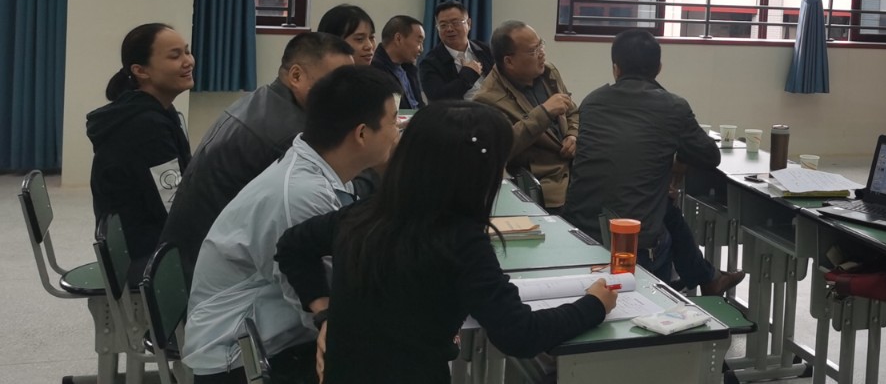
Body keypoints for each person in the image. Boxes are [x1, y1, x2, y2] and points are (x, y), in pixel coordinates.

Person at [276, 101, 616, 384]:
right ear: (477, 174)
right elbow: (520, 334)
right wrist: (594, 304)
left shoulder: (365, 213)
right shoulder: (460, 242)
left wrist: (326, 314)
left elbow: (292, 246)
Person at [182, 66, 401, 384]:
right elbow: (331, 296)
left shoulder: (318, 164)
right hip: (243, 360)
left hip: (272, 334)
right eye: (393, 121)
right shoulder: (301, 194)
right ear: (362, 134)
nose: (398, 131)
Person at [563, 29, 745, 296]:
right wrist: (676, 158)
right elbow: (710, 156)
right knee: (663, 211)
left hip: (578, 229)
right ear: (659, 68)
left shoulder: (592, 102)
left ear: (615, 68)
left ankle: (707, 277)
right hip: (631, 244)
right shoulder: (673, 107)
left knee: (663, 207)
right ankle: (698, 281)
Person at [160, 32, 355, 278]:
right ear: (296, 76)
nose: (349, 93)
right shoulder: (289, 137)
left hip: (187, 258)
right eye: (338, 83)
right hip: (214, 276)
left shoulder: (264, 99)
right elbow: (326, 212)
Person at [87, 23, 195, 272]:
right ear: (140, 70)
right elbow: (174, 209)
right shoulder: (146, 127)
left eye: (187, 51)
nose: (188, 61)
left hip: (149, 242)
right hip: (146, 256)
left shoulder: (157, 111)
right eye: (175, 56)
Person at [468, 21, 580, 209]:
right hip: (542, 184)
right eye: (533, 51)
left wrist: (572, 134)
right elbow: (499, 149)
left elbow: (572, 112)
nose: (542, 53)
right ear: (509, 61)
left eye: (541, 45)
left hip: (577, 170)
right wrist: (543, 113)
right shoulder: (487, 99)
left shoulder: (548, 72)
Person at [418, 1, 493, 101]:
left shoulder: (486, 50)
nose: (449, 29)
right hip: (460, 110)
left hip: (494, 107)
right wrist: (468, 75)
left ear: (469, 24)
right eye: (443, 25)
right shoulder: (429, 63)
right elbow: (438, 99)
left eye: (455, 23)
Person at [373, 15, 427, 110]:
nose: (421, 49)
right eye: (419, 41)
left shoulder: (409, 69)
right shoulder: (375, 71)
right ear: (398, 39)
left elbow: (419, 105)